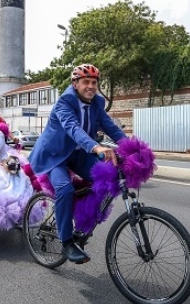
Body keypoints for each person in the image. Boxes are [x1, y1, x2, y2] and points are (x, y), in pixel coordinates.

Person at [28, 64, 126, 264]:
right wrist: (97, 148)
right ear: (75, 84)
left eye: (94, 83)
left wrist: (132, 148)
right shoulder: (65, 102)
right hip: (54, 155)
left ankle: (82, 218)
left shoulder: (97, 102)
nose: (91, 86)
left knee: (108, 177)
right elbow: (73, 129)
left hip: (78, 154)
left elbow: (110, 127)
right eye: (86, 82)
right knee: (65, 189)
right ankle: (67, 243)